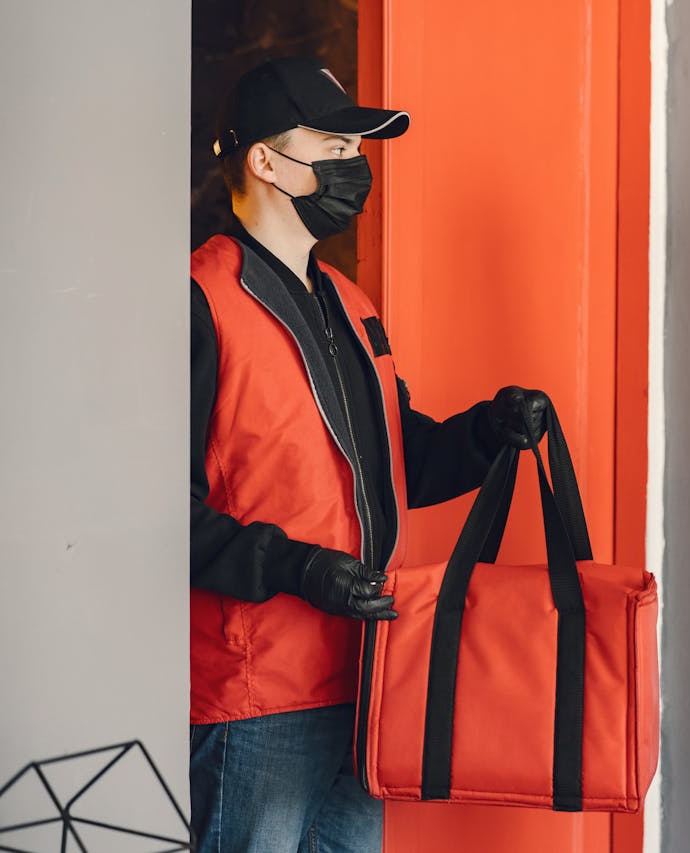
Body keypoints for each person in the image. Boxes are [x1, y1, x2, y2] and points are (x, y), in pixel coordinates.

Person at [189, 56, 547, 851]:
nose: (357, 166)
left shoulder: (349, 303)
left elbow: (396, 460)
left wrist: (487, 432)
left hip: (370, 681)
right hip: (260, 698)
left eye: (359, 148)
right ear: (265, 161)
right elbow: (160, 513)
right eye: (335, 145)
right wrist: (299, 568)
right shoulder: (197, 298)